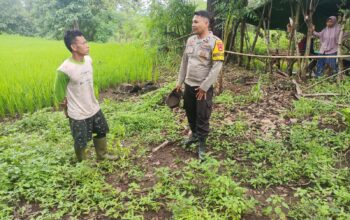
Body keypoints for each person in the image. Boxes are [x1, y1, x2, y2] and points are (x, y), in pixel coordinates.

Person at [54, 30, 117, 162]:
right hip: (77, 112)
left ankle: (102, 155)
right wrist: (66, 110)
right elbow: (59, 95)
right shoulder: (64, 69)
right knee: (81, 140)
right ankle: (82, 163)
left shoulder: (88, 60)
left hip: (93, 106)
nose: (87, 45)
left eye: (86, 42)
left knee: (101, 130)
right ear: (74, 47)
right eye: (83, 43)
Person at [175, 10, 224, 160]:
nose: (193, 24)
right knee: (189, 111)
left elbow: (217, 67)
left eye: (196, 22)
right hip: (189, 85)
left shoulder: (216, 42)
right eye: (193, 21)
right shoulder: (190, 40)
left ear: (206, 23)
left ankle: (202, 144)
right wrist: (179, 82)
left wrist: (205, 86)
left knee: (202, 115)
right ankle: (194, 135)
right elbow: (184, 62)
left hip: (203, 88)